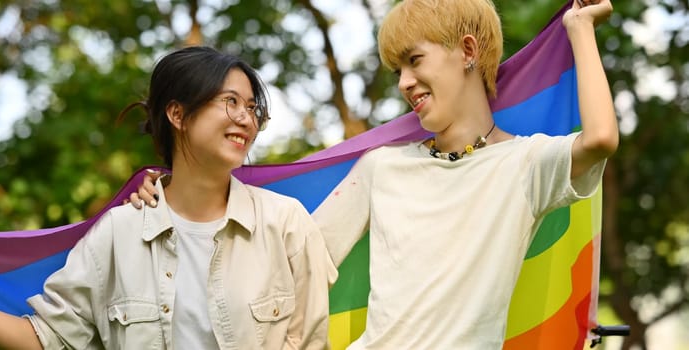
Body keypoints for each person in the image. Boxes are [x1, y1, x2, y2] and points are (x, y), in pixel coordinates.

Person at [131, 1, 618, 349]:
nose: (405, 82)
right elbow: (292, 257)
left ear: (467, 50)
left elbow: (599, 139)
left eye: (414, 60)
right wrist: (177, 195)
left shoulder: (524, 166)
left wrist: (580, 28)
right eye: (397, 70)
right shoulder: (383, 166)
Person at [0, 46, 337, 349]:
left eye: (251, 107)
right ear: (177, 113)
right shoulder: (119, 235)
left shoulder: (286, 224)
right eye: (230, 102)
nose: (246, 119)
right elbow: (44, 339)